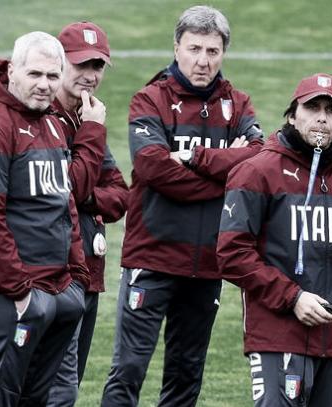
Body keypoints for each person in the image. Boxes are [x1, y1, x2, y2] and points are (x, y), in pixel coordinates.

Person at [101, 6, 264, 406]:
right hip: (152, 258)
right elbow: (154, 169)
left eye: (212, 50)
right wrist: (227, 171)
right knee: (128, 370)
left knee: (186, 374)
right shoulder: (149, 99)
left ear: (224, 52)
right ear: (176, 47)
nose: (202, 60)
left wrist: (195, 159)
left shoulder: (238, 105)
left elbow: (259, 158)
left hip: (207, 263)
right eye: (193, 48)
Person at [216, 73, 332, 407]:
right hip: (277, 333)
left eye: (331, 111)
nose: (321, 117)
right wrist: (293, 298)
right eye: (312, 107)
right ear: (293, 115)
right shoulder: (257, 171)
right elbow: (231, 254)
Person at [0, 31, 91, 406]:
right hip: (13, 295)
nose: (44, 85)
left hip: (57, 290)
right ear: (13, 71)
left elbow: (65, 204)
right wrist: (19, 292)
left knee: (36, 399)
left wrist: (77, 278)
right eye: (35, 74)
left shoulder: (53, 123)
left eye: (53, 76)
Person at [47, 22, 129, 406]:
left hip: (88, 273)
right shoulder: (48, 121)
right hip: (55, 276)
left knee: (70, 385)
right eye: (82, 65)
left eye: (98, 66)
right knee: (52, 390)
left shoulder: (86, 117)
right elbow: (70, 188)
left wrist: (79, 197)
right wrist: (93, 132)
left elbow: (119, 197)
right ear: (59, 64)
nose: (91, 75)